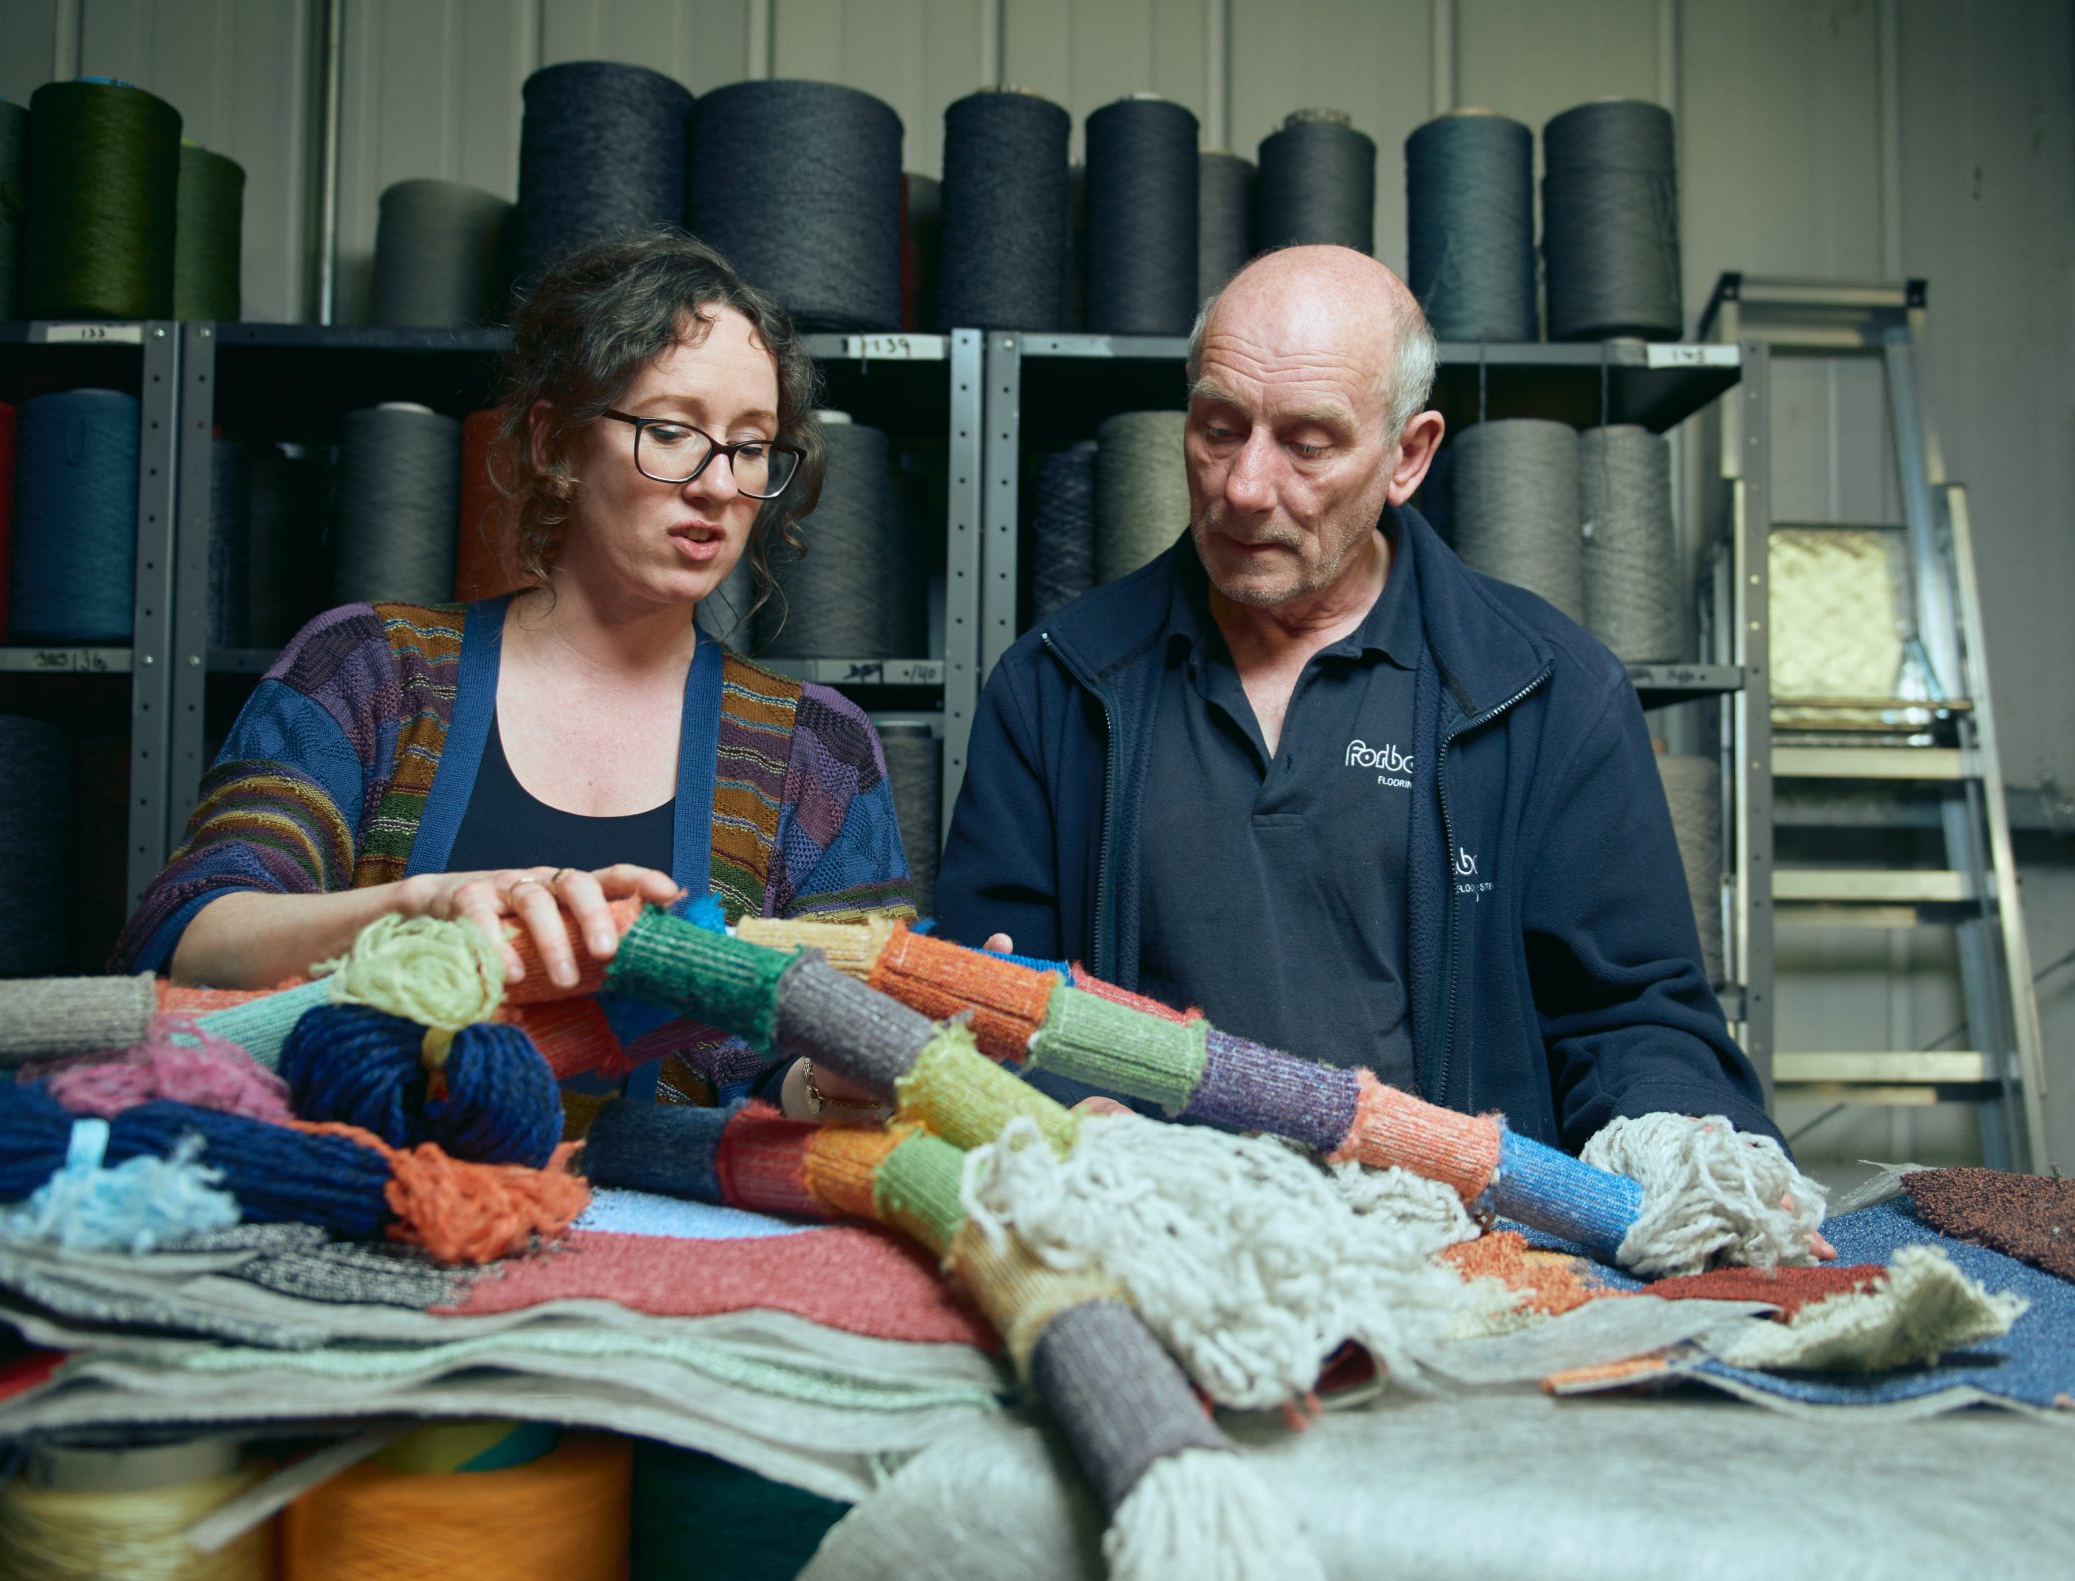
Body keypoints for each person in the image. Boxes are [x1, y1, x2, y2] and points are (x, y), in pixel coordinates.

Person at [934, 244, 1777, 1152]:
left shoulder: (1550, 696)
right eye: (1219, 428)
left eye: (1307, 443)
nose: (1246, 488)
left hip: (1448, 1256)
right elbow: (986, 1000)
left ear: (1407, 455)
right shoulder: (1055, 687)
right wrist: (1064, 1107)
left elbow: (1635, 1025)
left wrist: (1684, 1147)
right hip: (1147, 1237)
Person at [117, 233, 916, 1108]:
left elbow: (797, 1088)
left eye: (752, 444)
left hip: (669, 1237)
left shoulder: (817, 754)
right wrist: (415, 913)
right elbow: (186, 936)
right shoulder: (373, 672)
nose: (718, 484)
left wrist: (847, 1078)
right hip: (369, 1205)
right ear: (556, 445)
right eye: (671, 430)